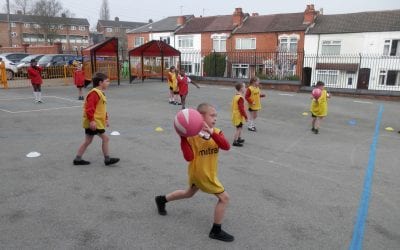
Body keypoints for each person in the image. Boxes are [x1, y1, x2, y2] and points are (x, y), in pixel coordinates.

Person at [155, 103, 234, 242]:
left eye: (216, 115)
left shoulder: (217, 132)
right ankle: (216, 230)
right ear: (200, 117)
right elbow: (189, 157)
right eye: (212, 115)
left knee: (188, 193)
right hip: (201, 174)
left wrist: (211, 132)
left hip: (207, 172)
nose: (215, 118)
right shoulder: (191, 136)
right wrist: (183, 138)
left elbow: (226, 146)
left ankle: (161, 199)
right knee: (224, 198)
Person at [73, 72, 120, 166]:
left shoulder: (100, 93)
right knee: (105, 139)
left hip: (96, 121)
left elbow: (101, 108)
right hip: (94, 122)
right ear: (100, 83)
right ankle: (107, 159)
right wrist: (92, 121)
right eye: (107, 81)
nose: (108, 83)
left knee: (88, 141)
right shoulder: (94, 93)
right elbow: (89, 109)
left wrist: (106, 119)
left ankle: (77, 159)